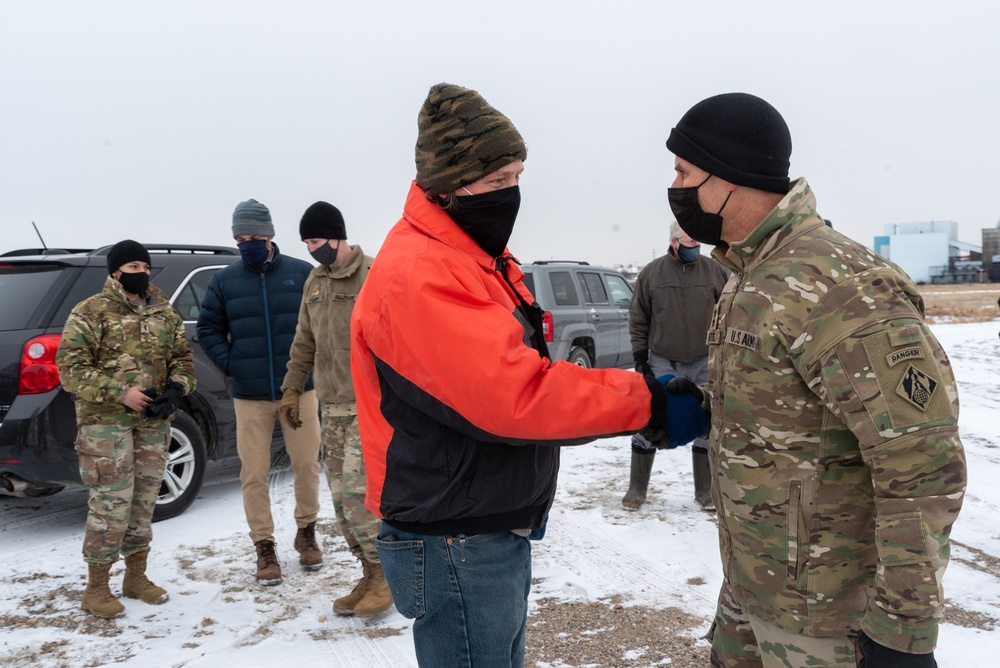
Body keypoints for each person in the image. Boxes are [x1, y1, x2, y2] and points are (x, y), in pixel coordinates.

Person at [350, 82, 703, 668]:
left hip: (477, 524)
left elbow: (523, 367)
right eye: (496, 182)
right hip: (452, 538)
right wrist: (648, 402)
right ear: (447, 184)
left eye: (517, 176)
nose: (511, 194)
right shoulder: (420, 274)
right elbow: (513, 394)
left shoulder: (472, 254)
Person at [663, 93, 967, 667]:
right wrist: (706, 407)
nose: (674, 186)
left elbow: (920, 461)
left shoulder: (839, 285)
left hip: (826, 618)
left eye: (683, 171)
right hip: (753, 591)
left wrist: (903, 629)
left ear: (728, 178)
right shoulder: (749, 274)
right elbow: (799, 410)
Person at [56, 239, 196, 619]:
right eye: (132, 266)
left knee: (144, 500)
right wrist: (121, 393)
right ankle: (96, 588)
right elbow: (70, 370)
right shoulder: (90, 312)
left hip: (152, 424)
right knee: (111, 504)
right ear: (115, 271)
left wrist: (177, 389)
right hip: (106, 425)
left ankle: (136, 577)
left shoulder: (163, 311)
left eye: (144, 266)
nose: (141, 272)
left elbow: (183, 357)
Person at [196, 199, 323, 586]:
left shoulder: (303, 274)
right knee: (253, 471)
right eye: (241, 237)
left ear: (270, 235)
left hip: (298, 390)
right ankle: (264, 546)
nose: (248, 242)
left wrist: (314, 367)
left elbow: (322, 324)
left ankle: (307, 532)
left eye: (254, 236)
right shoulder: (224, 281)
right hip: (250, 394)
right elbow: (208, 329)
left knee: (306, 464)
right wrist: (233, 363)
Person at [279, 201, 391, 617]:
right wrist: (292, 387)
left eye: (316, 240)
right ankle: (368, 571)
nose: (311, 248)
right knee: (342, 504)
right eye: (306, 242)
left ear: (338, 235)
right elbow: (303, 341)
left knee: (361, 495)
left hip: (368, 406)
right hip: (331, 407)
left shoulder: (373, 274)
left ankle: (385, 576)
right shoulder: (315, 282)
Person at [623, 221, 729, 511]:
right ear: (674, 242)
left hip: (704, 360)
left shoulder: (715, 271)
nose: (695, 250)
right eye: (689, 245)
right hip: (662, 360)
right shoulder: (652, 273)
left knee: (707, 419)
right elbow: (638, 317)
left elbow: (728, 314)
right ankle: (637, 489)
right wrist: (640, 358)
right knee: (649, 418)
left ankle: (705, 492)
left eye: (698, 245)